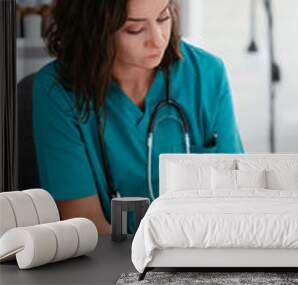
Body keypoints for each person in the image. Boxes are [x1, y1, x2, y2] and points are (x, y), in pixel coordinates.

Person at [33, 0, 244, 234]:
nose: (158, 39)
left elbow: (235, 198)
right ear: (94, 29)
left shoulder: (206, 73)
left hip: (203, 254)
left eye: (163, 17)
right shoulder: (57, 91)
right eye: (135, 29)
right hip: (111, 262)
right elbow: (86, 223)